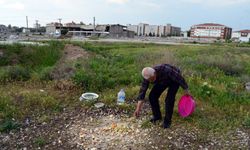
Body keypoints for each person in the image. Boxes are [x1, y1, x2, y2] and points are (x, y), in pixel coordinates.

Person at [134, 64, 189, 128]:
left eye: (152, 79)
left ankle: (167, 122)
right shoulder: (147, 77)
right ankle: (157, 116)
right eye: (149, 80)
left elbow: (179, 78)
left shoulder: (166, 70)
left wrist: (186, 90)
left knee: (169, 100)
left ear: (154, 73)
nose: (151, 81)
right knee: (152, 96)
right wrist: (138, 108)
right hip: (162, 80)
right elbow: (142, 92)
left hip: (174, 80)